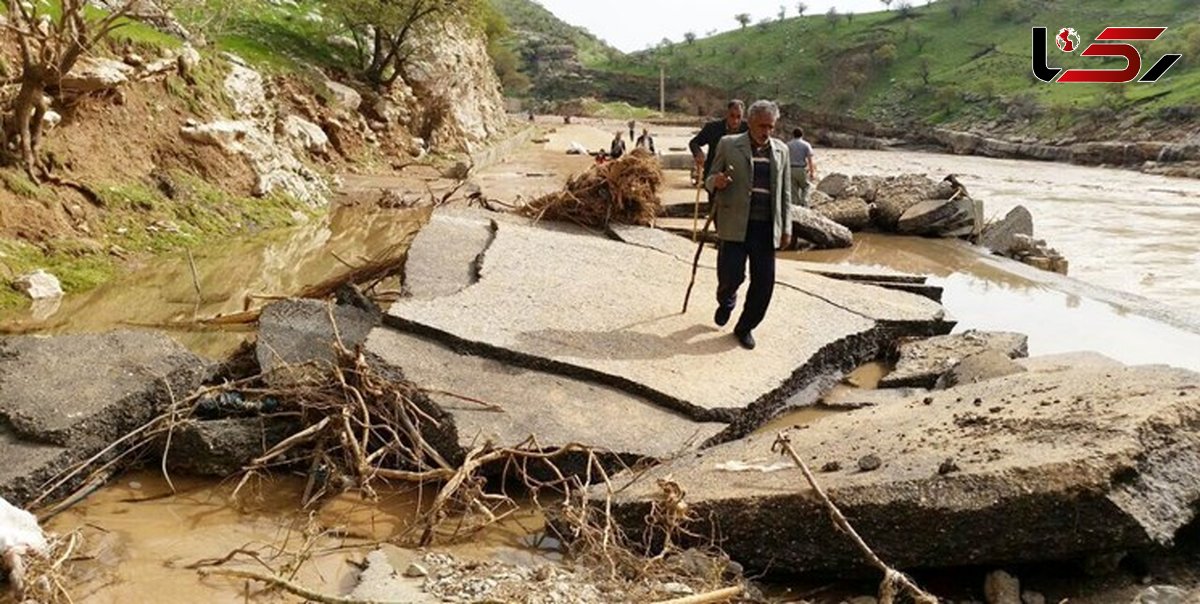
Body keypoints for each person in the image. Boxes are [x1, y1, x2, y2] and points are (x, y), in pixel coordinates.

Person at [705, 100, 792, 350]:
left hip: (765, 228)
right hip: (734, 224)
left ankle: (745, 327)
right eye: (762, 125)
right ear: (750, 122)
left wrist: (786, 227)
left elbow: (785, 193)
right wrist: (716, 182)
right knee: (730, 276)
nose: (766, 131)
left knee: (764, 284)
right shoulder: (729, 144)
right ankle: (726, 300)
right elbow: (709, 180)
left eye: (771, 127)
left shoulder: (781, 151)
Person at [689, 100, 749, 182]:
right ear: (726, 114)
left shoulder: (748, 130)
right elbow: (694, 143)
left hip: (738, 178)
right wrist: (698, 153)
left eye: (738, 117)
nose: (735, 121)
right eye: (732, 116)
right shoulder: (712, 128)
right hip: (714, 177)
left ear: (743, 116)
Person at [786, 127, 816, 207]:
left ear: (793, 135)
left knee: (793, 189)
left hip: (790, 169)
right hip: (801, 168)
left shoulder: (788, 145)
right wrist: (812, 172)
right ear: (802, 135)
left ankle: (795, 206)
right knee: (806, 186)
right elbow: (810, 159)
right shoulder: (806, 145)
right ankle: (805, 203)